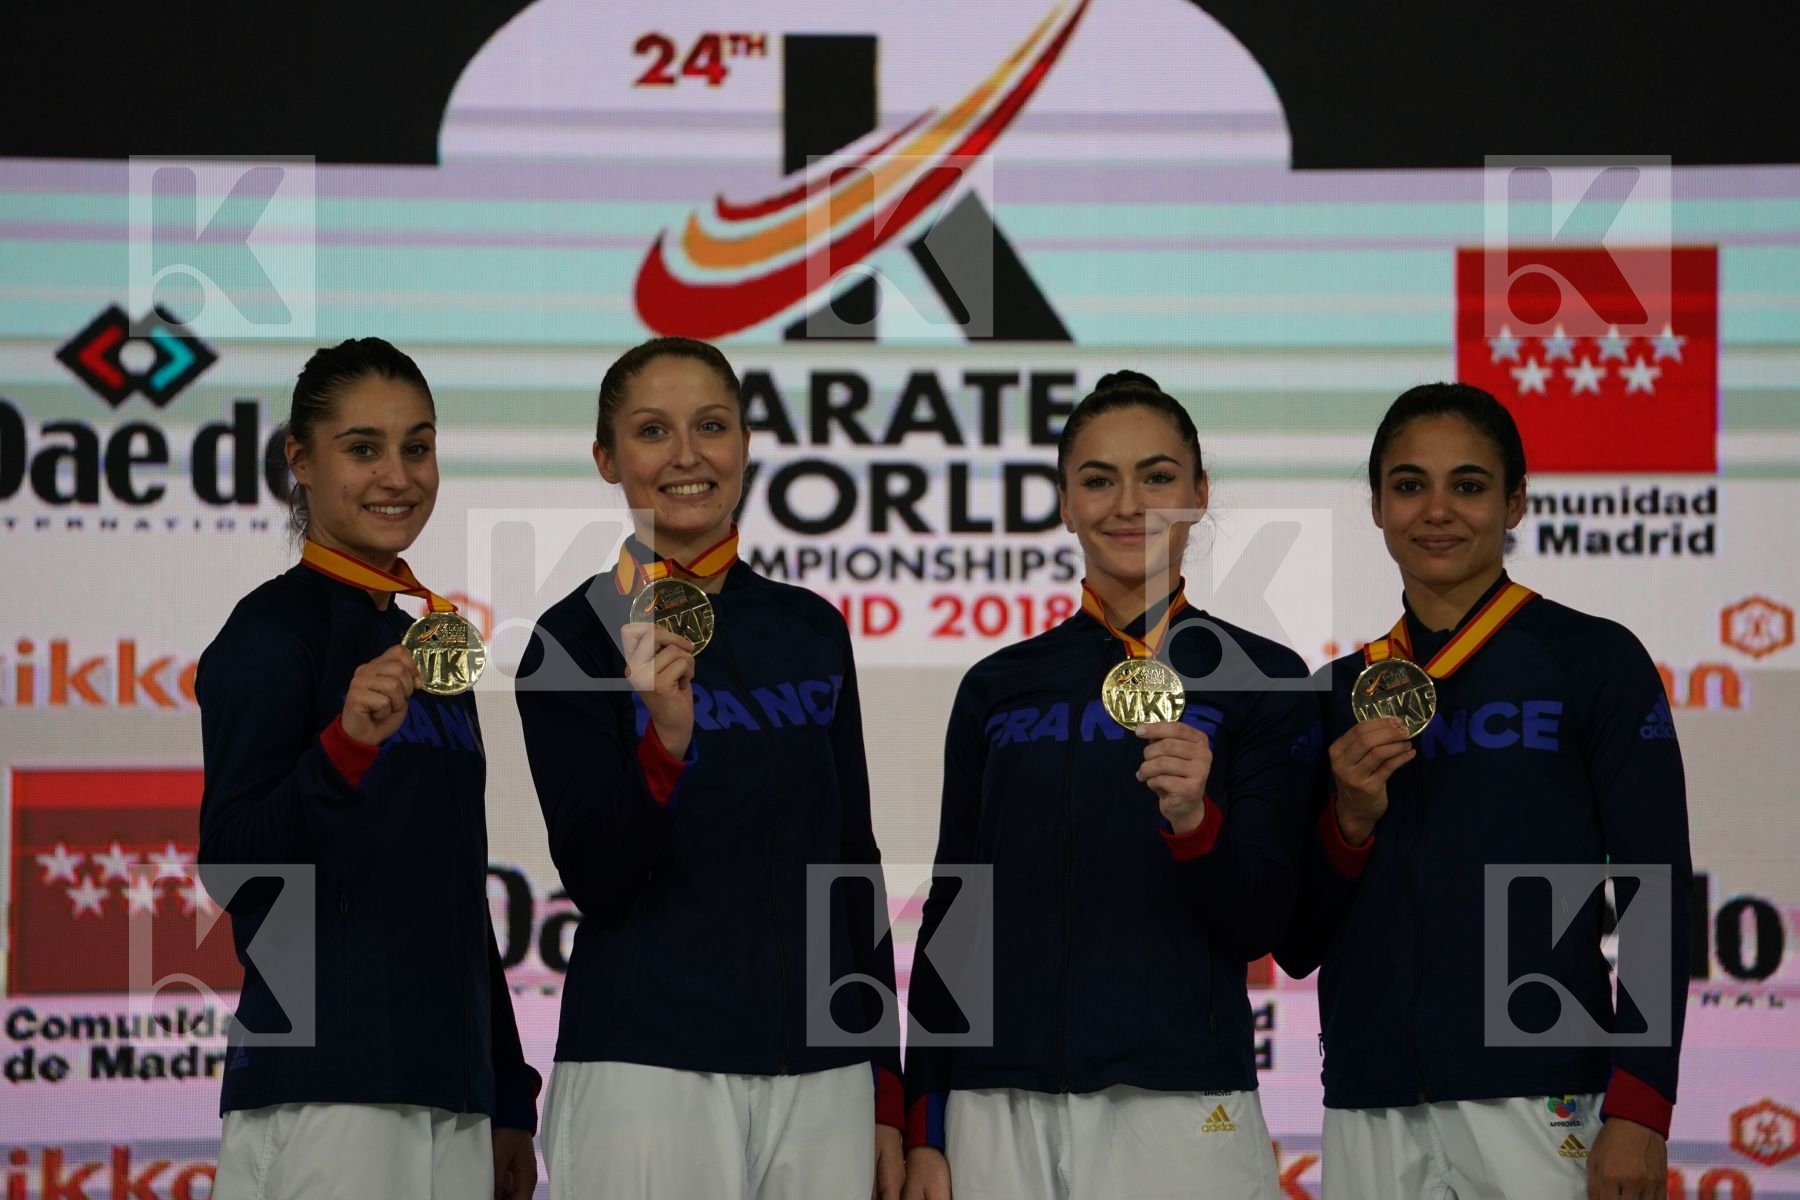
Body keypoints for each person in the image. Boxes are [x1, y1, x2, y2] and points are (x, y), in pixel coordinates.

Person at [901, 371, 1317, 1200]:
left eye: (1157, 476)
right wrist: (926, 1119)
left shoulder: (1266, 680)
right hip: (998, 1108)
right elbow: (956, 910)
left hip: (1181, 1101)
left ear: (1199, 494)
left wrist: (1198, 822)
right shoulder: (998, 686)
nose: (1128, 503)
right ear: (1064, 501)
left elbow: (1268, 919)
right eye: (1098, 479)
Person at [1274, 382, 1692, 1200]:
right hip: (1371, 1100)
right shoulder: (1334, 693)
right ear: (1375, 506)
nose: (1437, 511)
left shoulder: (1594, 660)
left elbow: (1655, 887)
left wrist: (1642, 1106)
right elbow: (1295, 942)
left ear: (1515, 503)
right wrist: (1348, 822)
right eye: (1408, 485)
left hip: (1541, 1094)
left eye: (1467, 485)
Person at [513, 335, 905, 1200]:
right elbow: (601, 878)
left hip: (823, 1071)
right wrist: (664, 741)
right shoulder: (572, 637)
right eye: (653, 432)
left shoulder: (809, 627)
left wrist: (883, 1080)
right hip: (647, 1068)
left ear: (745, 444)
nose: (688, 456)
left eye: (712, 426)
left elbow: (852, 862)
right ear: (607, 458)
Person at [197, 338, 540, 1200]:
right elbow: (235, 866)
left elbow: (460, 893)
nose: (398, 475)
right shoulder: (272, 633)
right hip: (324, 1087)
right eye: (363, 448)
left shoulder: (428, 639)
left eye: (416, 447)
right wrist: (342, 747)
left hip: (448, 1093)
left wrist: (505, 1096)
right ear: (300, 461)